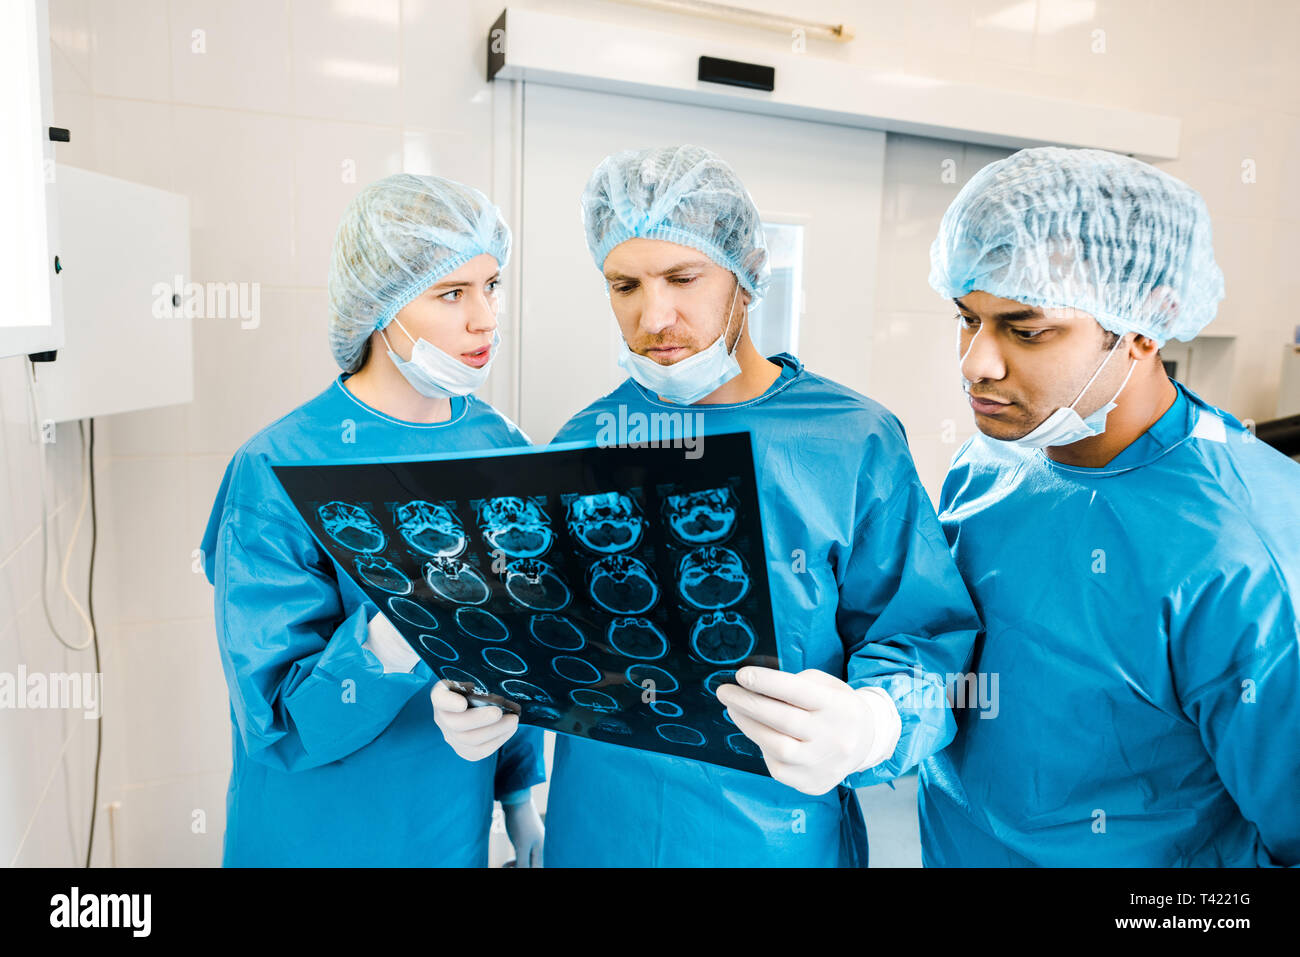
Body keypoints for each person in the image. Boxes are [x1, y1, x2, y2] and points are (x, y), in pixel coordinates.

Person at [432, 144, 981, 866]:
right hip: (598, 833)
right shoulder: (586, 439)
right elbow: (544, 631)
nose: (654, 314)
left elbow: (921, 635)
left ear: (748, 271)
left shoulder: (850, 439)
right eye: (624, 284)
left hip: (771, 837)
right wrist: (485, 690)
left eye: (683, 277)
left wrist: (876, 721)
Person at [919, 146, 1300, 866]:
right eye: (967, 318)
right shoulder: (993, 458)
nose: (975, 363)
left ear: (1146, 323)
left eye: (1025, 329)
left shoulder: (1245, 554)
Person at [201, 173, 546, 867]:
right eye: (452, 293)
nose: (486, 319)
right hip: (315, 835)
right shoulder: (278, 468)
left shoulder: (502, 450)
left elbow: (521, 655)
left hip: (450, 830)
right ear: (380, 306)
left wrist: (518, 802)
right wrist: (404, 622)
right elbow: (279, 723)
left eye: (492, 285)